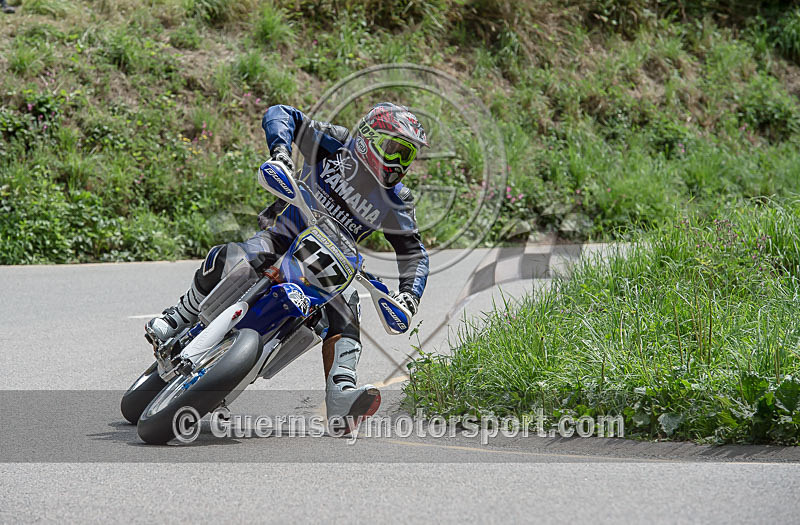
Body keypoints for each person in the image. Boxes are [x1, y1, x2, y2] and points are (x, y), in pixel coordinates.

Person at [146, 102, 430, 430]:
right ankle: (178, 317)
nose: (398, 162)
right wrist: (281, 153)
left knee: (349, 309)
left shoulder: (397, 199)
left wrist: (409, 295)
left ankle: (341, 395)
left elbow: (414, 254)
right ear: (368, 137)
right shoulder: (335, 144)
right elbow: (282, 114)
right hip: (283, 234)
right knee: (229, 256)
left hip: (330, 268)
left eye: (406, 155)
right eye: (394, 149)